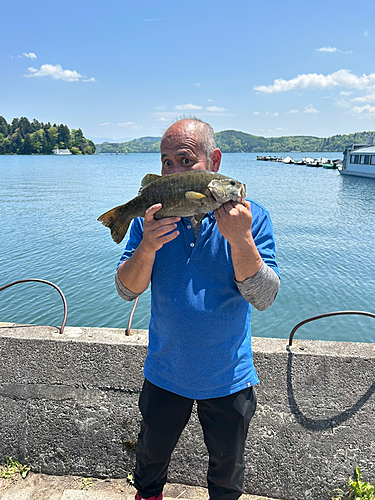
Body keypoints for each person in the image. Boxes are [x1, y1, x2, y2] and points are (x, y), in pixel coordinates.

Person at [115, 118, 280, 500]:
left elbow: (265, 297)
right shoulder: (149, 219)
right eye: (166, 162)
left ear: (214, 161)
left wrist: (240, 240)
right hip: (164, 370)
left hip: (228, 375)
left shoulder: (253, 218)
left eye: (185, 159)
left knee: (227, 471)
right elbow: (127, 290)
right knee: (150, 458)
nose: (173, 169)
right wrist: (147, 247)